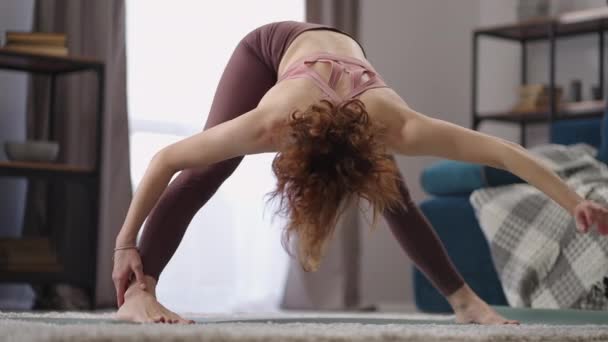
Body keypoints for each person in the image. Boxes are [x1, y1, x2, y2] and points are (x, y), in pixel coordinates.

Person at [112, 21, 608, 325]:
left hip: (344, 76)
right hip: (268, 49)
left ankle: (466, 303)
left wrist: (575, 202)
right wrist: (124, 246)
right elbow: (168, 160)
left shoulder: (399, 127)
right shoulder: (270, 124)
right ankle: (139, 294)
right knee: (208, 171)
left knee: (397, 197)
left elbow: (502, 152)